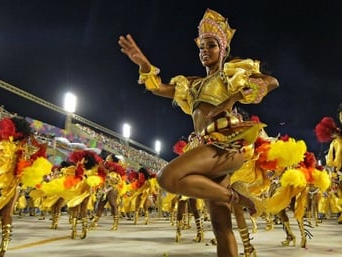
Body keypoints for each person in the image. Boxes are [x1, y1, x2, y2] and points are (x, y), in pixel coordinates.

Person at [119, 8, 279, 257]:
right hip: (207, 151)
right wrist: (144, 63)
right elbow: (159, 88)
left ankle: (237, 198)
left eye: (212, 45)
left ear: (223, 49)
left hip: (226, 146)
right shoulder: (192, 84)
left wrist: (231, 100)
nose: (205, 50)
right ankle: (233, 198)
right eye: (202, 47)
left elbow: (271, 82)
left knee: (167, 177)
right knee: (221, 226)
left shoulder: (230, 75)